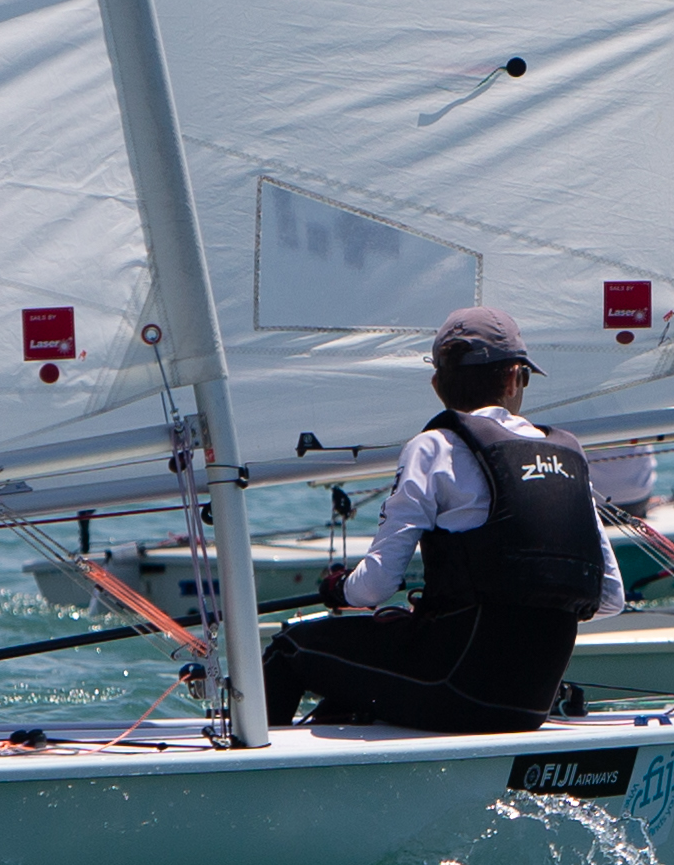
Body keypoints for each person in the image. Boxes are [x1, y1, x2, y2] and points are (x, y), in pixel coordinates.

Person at [256, 307, 622, 732]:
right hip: (529, 706)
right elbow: (610, 599)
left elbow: (374, 586)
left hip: (451, 689)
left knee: (290, 648)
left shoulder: (434, 447)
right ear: (514, 378)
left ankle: (248, 777)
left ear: (437, 384)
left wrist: (338, 588)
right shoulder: (567, 456)